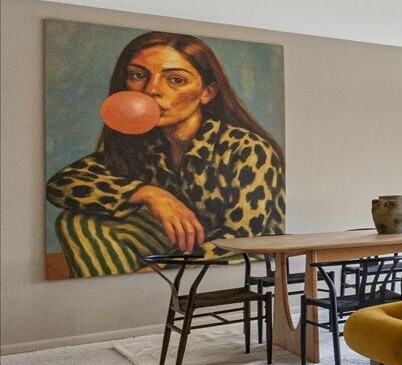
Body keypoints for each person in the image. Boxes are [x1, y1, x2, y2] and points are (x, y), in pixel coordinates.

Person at [46, 31, 285, 277]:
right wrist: (150, 194)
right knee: (75, 221)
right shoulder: (144, 145)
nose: (151, 90)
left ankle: (132, 296)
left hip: (240, 258)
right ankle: (121, 301)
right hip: (176, 245)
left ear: (207, 92)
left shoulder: (247, 149)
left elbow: (242, 239)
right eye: (138, 75)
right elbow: (61, 184)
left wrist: (163, 268)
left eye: (176, 80)